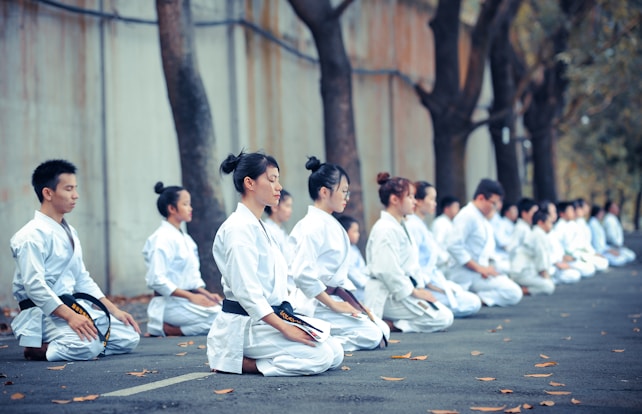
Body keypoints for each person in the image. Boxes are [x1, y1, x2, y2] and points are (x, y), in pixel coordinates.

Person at [207, 151, 344, 376]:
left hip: (269, 318)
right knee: (320, 357)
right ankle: (240, 361)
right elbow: (248, 293)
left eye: (278, 180)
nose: (278, 186)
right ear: (249, 183)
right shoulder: (238, 229)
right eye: (271, 180)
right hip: (247, 324)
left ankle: (257, 355)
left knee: (335, 352)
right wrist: (285, 328)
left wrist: (290, 321)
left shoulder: (259, 226)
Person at [10, 159, 140, 361]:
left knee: (129, 337)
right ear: (48, 193)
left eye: (75, 188)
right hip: (44, 314)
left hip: (73, 307)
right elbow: (34, 286)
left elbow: (81, 278)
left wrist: (114, 310)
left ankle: (84, 345)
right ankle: (37, 349)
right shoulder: (30, 236)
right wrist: (70, 316)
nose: (75, 195)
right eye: (69, 189)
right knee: (88, 346)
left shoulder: (69, 231)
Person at [288, 156, 389, 351]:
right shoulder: (311, 226)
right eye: (343, 191)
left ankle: (323, 338)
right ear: (325, 192)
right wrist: (335, 306)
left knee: (382, 329)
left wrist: (354, 303)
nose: (347, 197)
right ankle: (318, 344)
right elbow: (302, 274)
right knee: (373, 335)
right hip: (315, 302)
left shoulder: (329, 223)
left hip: (334, 297)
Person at [365, 173, 454, 333]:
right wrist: (414, 292)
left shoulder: (399, 225)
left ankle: (392, 323)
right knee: (443, 317)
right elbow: (388, 271)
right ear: (394, 200)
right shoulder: (385, 229)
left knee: (445, 314)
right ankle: (392, 325)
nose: (414, 201)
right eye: (410, 197)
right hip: (387, 294)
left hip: (401, 289)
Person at [142, 182, 222, 337]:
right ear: (172, 209)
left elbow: (191, 278)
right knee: (221, 318)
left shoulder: (186, 239)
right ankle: (170, 329)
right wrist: (192, 297)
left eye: (189, 204)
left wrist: (206, 295)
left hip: (185, 302)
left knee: (229, 312)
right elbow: (156, 280)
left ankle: (172, 328)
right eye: (185, 204)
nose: (190, 208)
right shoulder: (160, 239)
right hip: (169, 304)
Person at [405, 181, 481, 317]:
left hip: (433, 278)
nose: (435, 203)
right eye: (432, 199)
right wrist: (428, 287)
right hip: (422, 284)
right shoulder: (413, 226)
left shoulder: (420, 225)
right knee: (471, 303)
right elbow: (413, 265)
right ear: (419, 201)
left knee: (471, 300)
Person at [446, 179, 523, 307]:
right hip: (466, 275)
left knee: (512, 289)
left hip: (479, 273)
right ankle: (471, 298)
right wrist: (480, 268)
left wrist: (487, 268)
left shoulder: (480, 217)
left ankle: (474, 299)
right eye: (493, 203)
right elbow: (453, 246)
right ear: (481, 198)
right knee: (513, 292)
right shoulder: (467, 215)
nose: (496, 207)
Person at [508, 209, 556, 296]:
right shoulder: (538, 234)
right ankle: (521, 290)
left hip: (527, 271)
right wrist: (544, 274)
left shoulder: (537, 233)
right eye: (549, 222)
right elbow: (541, 255)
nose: (551, 225)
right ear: (541, 222)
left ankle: (518, 288)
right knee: (549, 286)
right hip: (522, 272)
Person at [539, 200, 582, 285]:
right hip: (552, 265)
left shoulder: (552, 230)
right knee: (575, 274)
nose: (556, 214)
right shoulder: (543, 231)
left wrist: (563, 258)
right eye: (553, 212)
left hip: (561, 261)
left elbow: (558, 249)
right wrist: (557, 263)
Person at [263, 189, 296, 292]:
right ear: (275, 207)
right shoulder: (269, 230)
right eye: (287, 206)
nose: (290, 210)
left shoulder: (280, 231)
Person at [336, 215, 369, 302]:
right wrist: (367, 284)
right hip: (356, 292)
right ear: (345, 233)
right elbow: (352, 272)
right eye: (355, 231)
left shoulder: (353, 248)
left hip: (364, 290)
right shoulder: (344, 251)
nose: (358, 234)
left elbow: (362, 269)